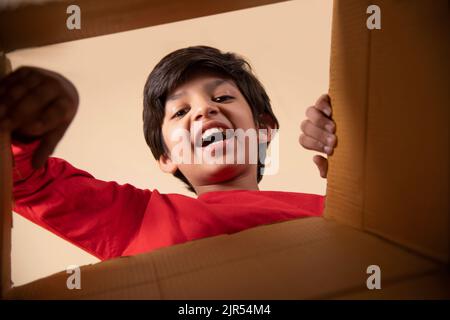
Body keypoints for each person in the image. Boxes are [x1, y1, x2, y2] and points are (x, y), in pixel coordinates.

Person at [0, 46, 337, 260]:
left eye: (222, 98)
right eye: (179, 112)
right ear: (166, 157)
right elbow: (21, 181)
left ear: (264, 129)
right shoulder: (139, 218)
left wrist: (354, 163)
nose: (204, 110)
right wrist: (33, 117)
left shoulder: (329, 207)